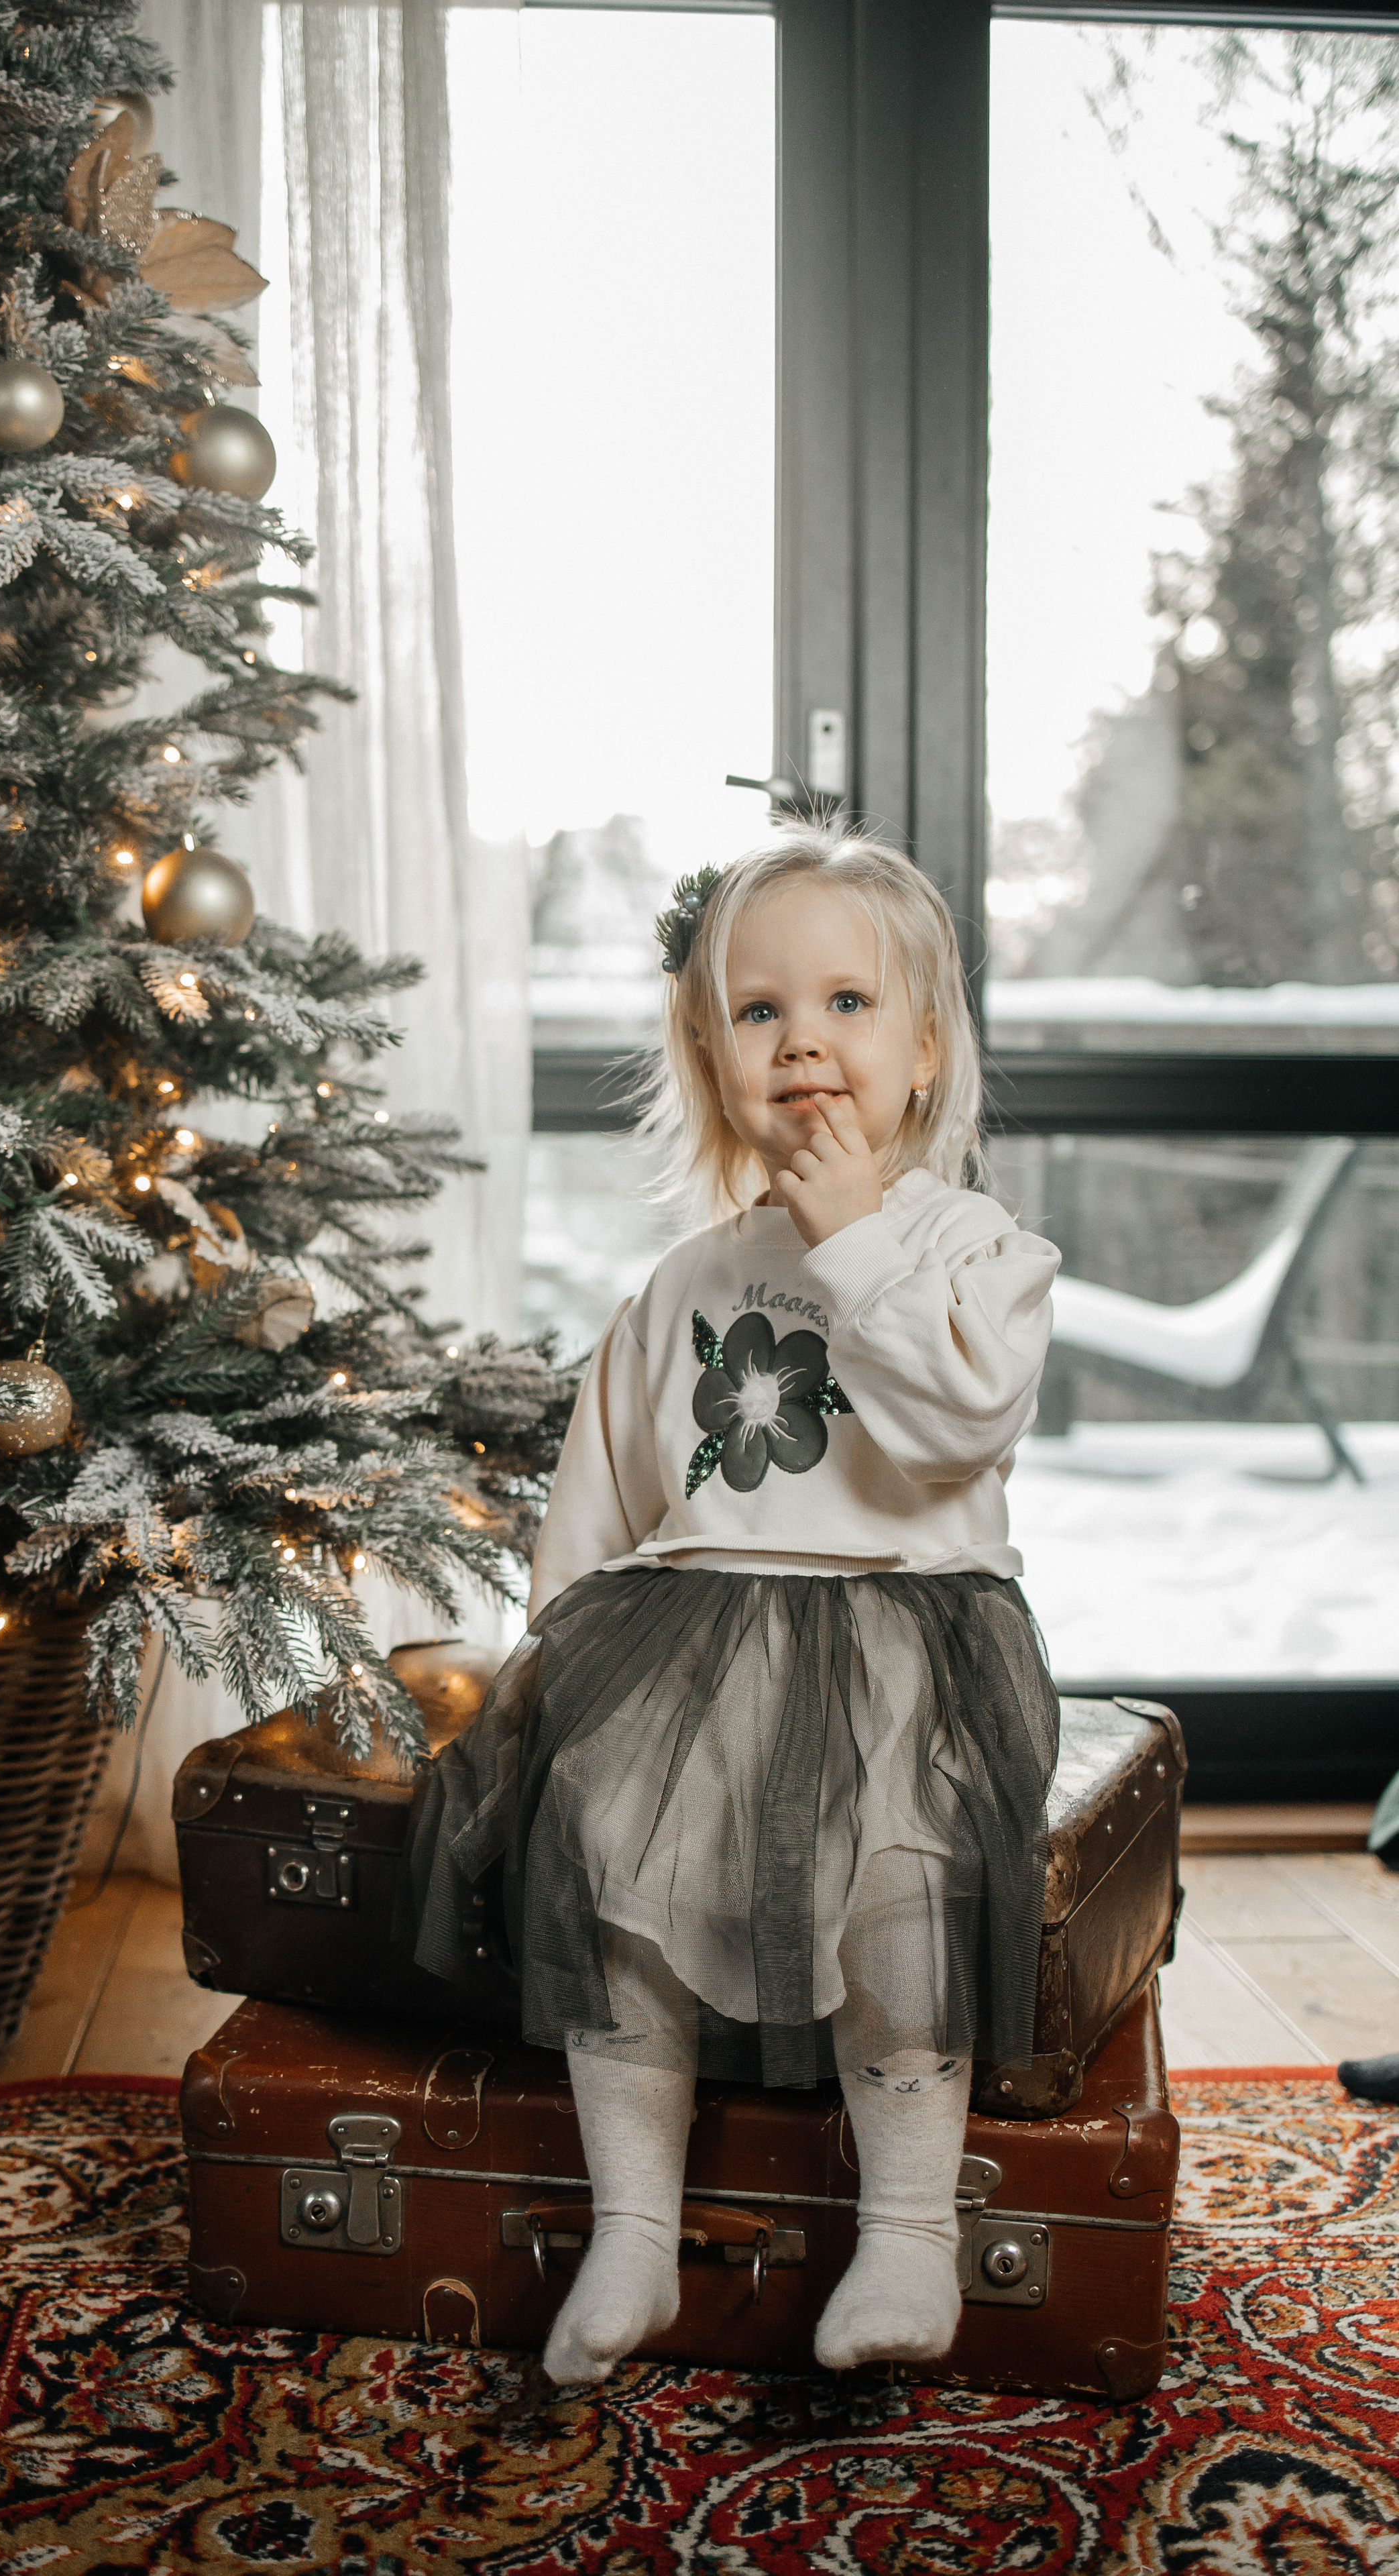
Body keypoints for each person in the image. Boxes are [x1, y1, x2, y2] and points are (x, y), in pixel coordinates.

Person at [408, 829, 1062, 2385]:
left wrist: (854, 1241)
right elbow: (605, 1489)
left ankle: (906, 2242)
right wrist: (561, 1678)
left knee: (899, 1914)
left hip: (901, 1640)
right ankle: (632, 2229)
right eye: (760, 1013)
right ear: (711, 1058)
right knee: (620, 1896)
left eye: (847, 1002)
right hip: (690, 1642)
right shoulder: (686, 1277)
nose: (806, 1042)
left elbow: (953, 1427)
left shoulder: (978, 1251)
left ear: (921, 1055)